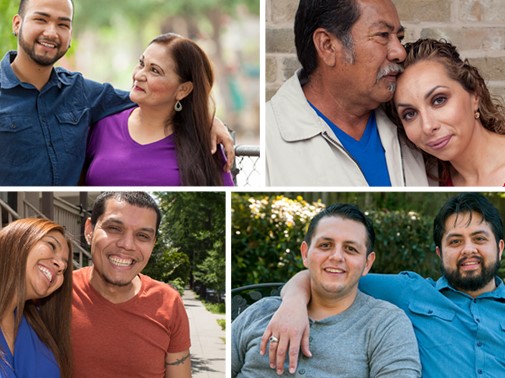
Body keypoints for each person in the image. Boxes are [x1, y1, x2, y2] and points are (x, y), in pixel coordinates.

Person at [262, 193, 505, 377]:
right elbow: (331, 275)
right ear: (440, 253)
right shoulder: (409, 291)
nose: (468, 250)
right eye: (455, 241)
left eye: (479, 239)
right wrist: (293, 304)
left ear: (500, 248)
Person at [0, 0, 234, 186]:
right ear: (17, 23)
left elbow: (152, 99)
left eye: (63, 24)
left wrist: (208, 119)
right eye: (41, 19)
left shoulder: (83, 93)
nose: (51, 32)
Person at [232, 203, 421, 377]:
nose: (337, 256)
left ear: (367, 263)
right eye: (325, 245)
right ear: (305, 254)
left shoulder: (385, 324)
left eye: (350, 249)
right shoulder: (261, 311)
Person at [265, 0, 428, 186]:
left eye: (399, 37)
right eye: (382, 35)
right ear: (327, 46)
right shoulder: (270, 139)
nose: (400, 52)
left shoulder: (416, 125)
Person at [84, 33, 234, 186]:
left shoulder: (205, 143)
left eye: (154, 71)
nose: (139, 75)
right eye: (141, 64)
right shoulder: (103, 126)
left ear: (183, 89)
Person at [71, 192, 191, 377]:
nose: (127, 245)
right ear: (89, 230)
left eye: (142, 236)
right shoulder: (58, 293)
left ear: (153, 244)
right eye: (114, 228)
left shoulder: (168, 302)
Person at [384, 38, 505, 186]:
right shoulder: (427, 181)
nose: (428, 126)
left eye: (439, 100)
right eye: (410, 114)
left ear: (475, 94)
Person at [0, 218, 73, 378]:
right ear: (16, 241)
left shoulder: (39, 327)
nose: (60, 266)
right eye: (51, 245)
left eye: (64, 266)